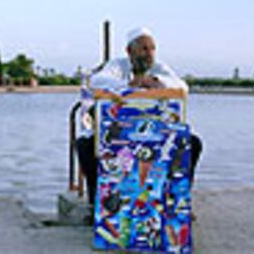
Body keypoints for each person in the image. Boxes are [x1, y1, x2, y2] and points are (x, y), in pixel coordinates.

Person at [76, 27, 202, 204]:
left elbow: (183, 87)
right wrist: (129, 84)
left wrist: (158, 83)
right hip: (119, 134)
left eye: (152, 48)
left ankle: (176, 201)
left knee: (193, 143)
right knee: (85, 146)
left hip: (157, 133)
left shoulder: (158, 68)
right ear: (130, 50)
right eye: (144, 49)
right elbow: (97, 81)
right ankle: (97, 204)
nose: (149, 54)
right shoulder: (117, 65)